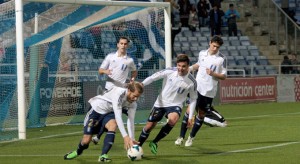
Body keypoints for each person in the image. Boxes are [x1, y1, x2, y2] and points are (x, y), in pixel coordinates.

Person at [64, 82, 144, 162]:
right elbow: (118, 116)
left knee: (113, 125)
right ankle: (78, 152)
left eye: (138, 97)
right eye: (134, 96)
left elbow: (131, 120)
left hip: (109, 112)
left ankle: (103, 156)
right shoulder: (119, 93)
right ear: (129, 90)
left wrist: (132, 138)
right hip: (96, 110)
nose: (135, 99)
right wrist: (125, 137)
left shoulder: (133, 104)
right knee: (86, 141)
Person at [137, 54, 198, 155]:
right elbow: (153, 78)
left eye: (183, 66)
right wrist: (142, 84)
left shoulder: (192, 81)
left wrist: (190, 117)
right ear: (176, 64)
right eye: (179, 65)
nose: (180, 68)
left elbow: (193, 99)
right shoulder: (170, 71)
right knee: (149, 126)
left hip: (176, 105)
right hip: (160, 103)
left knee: (173, 120)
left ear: (188, 66)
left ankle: (155, 142)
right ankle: (138, 147)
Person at [175, 35, 227, 147]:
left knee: (201, 114)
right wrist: (191, 68)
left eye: (217, 47)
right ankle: (180, 137)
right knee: (189, 111)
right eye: (213, 46)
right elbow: (199, 64)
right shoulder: (202, 53)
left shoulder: (221, 59)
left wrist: (213, 74)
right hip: (197, 87)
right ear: (210, 43)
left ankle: (191, 138)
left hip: (209, 91)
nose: (215, 49)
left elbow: (224, 76)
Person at [91, 36, 138, 144]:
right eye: (121, 43)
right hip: (109, 89)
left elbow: (134, 71)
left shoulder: (129, 60)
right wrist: (105, 71)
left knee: (116, 115)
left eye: (125, 44)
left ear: (127, 45)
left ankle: (98, 136)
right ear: (118, 44)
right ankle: (96, 134)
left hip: (121, 91)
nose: (123, 45)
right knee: (109, 114)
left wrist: (132, 79)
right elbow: (100, 70)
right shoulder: (110, 57)